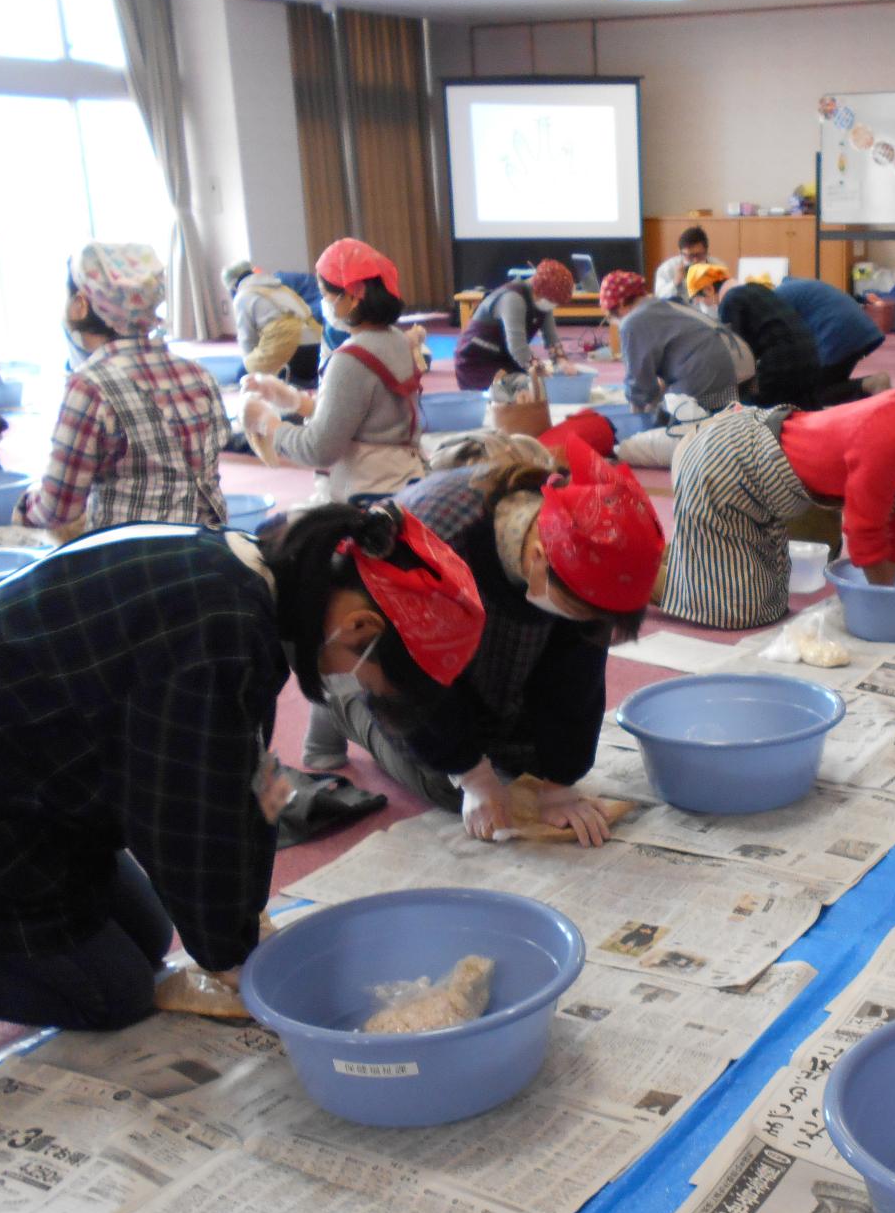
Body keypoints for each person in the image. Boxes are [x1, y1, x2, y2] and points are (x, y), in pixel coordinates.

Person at [0, 501, 484, 1055]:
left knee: (145, 937)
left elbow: (243, 779)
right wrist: (237, 956)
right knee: (110, 992)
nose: (352, 684)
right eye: (375, 677)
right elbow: (186, 819)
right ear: (360, 629)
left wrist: (232, 928)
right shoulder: (216, 636)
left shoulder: (236, 570)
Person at [309, 442, 663, 843]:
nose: (588, 623)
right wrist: (472, 776)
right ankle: (344, 705)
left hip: (493, 664)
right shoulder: (436, 543)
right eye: (580, 611)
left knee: (528, 771)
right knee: (450, 786)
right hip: (403, 669)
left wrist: (560, 784)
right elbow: (409, 681)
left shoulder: (580, 566)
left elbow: (576, 676)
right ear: (538, 556)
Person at [657, 316, 895, 629]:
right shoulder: (894, 432)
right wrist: (886, 603)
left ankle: (680, 554)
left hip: (764, 478)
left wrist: (892, 590)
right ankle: (632, 579)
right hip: (725, 460)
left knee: (771, 595)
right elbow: (865, 528)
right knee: (737, 610)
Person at [16, 243, 229, 534]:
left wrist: (24, 509)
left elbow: (59, 508)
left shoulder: (91, 386)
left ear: (80, 304)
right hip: (210, 550)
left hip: (132, 560)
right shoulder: (200, 376)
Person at [241, 239, 423, 505]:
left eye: (326, 295)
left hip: (367, 497)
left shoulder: (350, 359)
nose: (324, 303)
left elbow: (318, 450)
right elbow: (361, 414)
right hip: (405, 483)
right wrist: (295, 401)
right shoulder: (396, 339)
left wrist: (268, 424)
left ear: (351, 296)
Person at [602, 270, 740, 419]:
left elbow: (638, 378)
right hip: (729, 369)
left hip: (702, 377)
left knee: (668, 428)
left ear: (621, 304)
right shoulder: (660, 304)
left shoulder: (633, 321)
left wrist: (636, 414)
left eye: (611, 315)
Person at [455, 260, 575, 391]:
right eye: (552, 301)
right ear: (539, 291)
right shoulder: (513, 298)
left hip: (505, 360)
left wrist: (562, 361)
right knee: (534, 389)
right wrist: (541, 372)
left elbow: (552, 339)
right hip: (477, 364)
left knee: (538, 388)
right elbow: (517, 347)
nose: (553, 305)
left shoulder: (544, 301)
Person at [708, 271, 820, 410]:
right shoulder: (759, 290)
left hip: (782, 365)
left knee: (747, 408)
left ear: (709, 290)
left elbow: (738, 355)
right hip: (811, 357)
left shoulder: (729, 301)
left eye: (698, 300)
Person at [777, 277, 887, 406]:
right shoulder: (797, 287)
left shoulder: (776, 299)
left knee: (810, 394)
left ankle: (870, 384)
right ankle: (868, 386)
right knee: (831, 384)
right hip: (861, 330)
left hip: (837, 333)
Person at [223, 259, 325, 386]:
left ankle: (286, 378)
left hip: (292, 353)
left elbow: (247, 340)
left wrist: (251, 364)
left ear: (233, 286)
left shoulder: (243, 296)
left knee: (242, 375)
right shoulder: (281, 287)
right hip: (318, 351)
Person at [654, 225, 723, 302]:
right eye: (690, 256)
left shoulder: (717, 266)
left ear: (706, 251)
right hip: (676, 312)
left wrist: (713, 296)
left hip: (707, 312)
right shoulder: (667, 268)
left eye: (699, 255)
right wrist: (676, 282)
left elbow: (727, 296)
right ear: (680, 253)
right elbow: (659, 297)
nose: (695, 260)